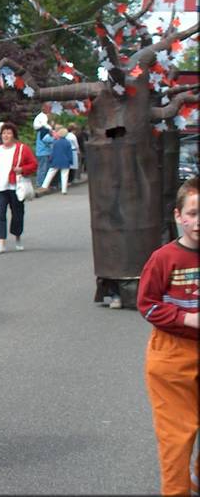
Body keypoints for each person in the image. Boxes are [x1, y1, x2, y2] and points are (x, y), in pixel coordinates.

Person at [137, 176, 199, 497]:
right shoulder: (164, 258)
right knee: (177, 434)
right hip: (172, 355)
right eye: (193, 213)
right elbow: (146, 305)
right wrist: (186, 318)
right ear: (179, 216)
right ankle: (177, 491)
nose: (199, 221)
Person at [0, 122, 37, 254]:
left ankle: (17, 237)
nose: (5, 136)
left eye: (8, 133)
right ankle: (1, 242)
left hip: (15, 187)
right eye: (3, 133)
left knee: (17, 214)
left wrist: (22, 169)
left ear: (13, 135)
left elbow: (34, 164)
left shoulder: (22, 149)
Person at [40, 127, 73, 194]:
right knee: (64, 175)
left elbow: (53, 152)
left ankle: (44, 186)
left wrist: (50, 159)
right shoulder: (68, 143)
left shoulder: (55, 142)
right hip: (65, 161)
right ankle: (64, 190)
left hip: (56, 160)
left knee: (50, 173)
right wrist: (70, 160)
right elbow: (70, 153)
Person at [33, 112, 54, 187]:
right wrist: (54, 138)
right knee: (43, 169)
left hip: (43, 152)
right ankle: (40, 184)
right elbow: (45, 139)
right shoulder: (44, 130)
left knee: (44, 169)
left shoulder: (41, 130)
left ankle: (43, 184)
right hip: (43, 152)